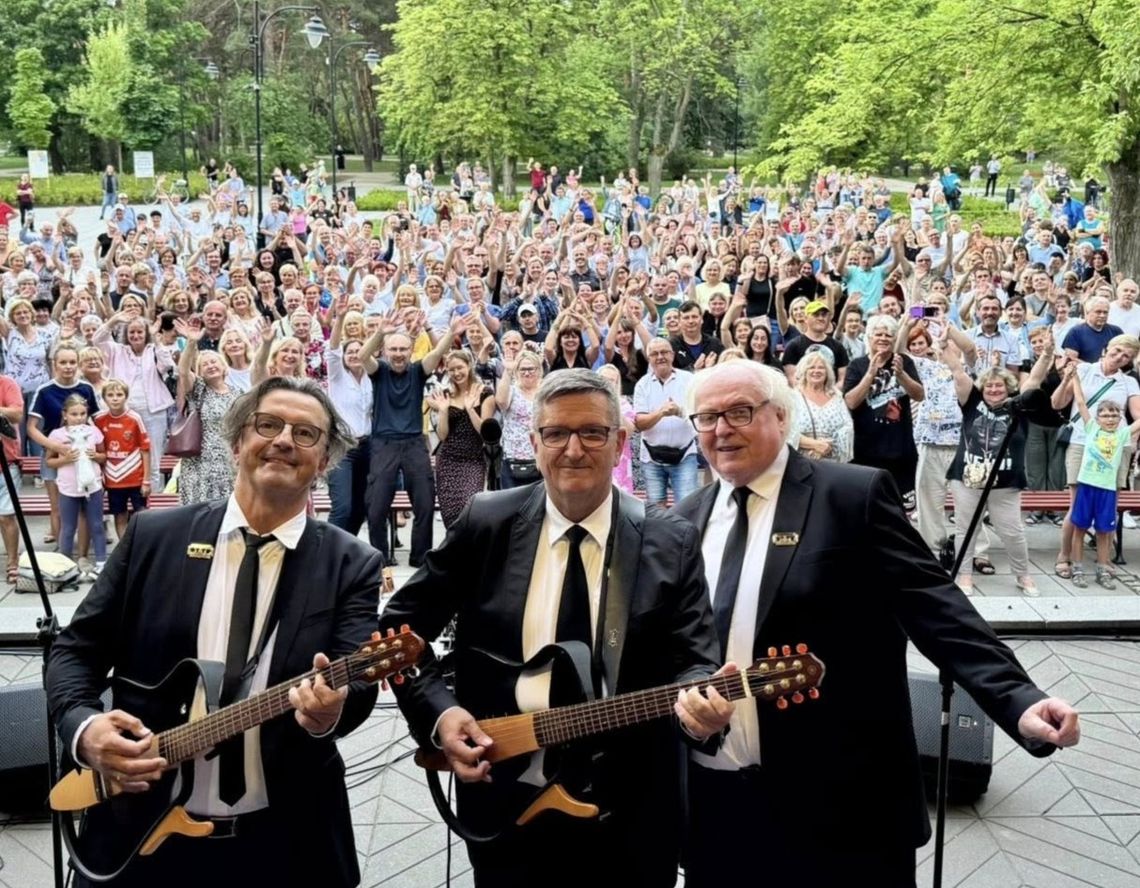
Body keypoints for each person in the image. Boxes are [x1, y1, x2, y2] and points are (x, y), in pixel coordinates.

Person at [674, 361, 1081, 887]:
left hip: (843, 808)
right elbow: (678, 648)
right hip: (721, 809)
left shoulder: (852, 495)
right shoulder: (684, 519)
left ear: (780, 415)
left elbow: (935, 606)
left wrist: (1018, 699)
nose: (721, 429)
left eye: (738, 412)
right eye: (705, 418)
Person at [378, 369, 729, 887]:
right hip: (505, 796)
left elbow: (695, 657)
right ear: (535, 441)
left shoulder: (669, 537)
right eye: (556, 433)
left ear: (620, 444)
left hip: (632, 809)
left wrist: (699, 708)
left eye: (592, 432)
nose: (573, 449)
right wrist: (439, 712)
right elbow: (399, 630)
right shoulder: (486, 521)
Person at [46, 376, 383, 888]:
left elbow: (356, 683)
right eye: (268, 424)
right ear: (235, 442)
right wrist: (84, 727)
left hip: (287, 843)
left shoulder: (352, 563)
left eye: (306, 434)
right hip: (143, 834)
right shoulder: (153, 537)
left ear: (325, 463)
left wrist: (330, 711)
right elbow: (75, 652)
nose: (285, 440)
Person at [360, 310, 466, 567]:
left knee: (425, 503)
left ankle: (420, 557)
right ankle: (381, 558)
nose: (398, 354)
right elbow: (363, 356)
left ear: (410, 351)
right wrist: (380, 333)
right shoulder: (380, 372)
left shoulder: (418, 371)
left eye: (403, 350)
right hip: (383, 443)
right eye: (393, 349)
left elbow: (437, 354)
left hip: (414, 443)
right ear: (385, 352)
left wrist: (451, 332)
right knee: (376, 508)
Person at [1065, 371, 1140, 589]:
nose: (1109, 419)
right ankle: (1077, 568)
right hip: (1087, 487)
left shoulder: (1122, 434)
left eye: (1114, 415)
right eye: (1105, 415)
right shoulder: (1092, 430)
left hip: (1107, 490)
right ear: (1098, 418)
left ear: (1120, 418)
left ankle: (1103, 569)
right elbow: (1080, 403)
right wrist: (1075, 380)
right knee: (1079, 528)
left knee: (1104, 531)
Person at [45, 394, 108, 576]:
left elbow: (104, 456)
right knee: (68, 527)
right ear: (65, 415)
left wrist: (95, 456)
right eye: (74, 414)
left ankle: (101, 562)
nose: (78, 417)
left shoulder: (94, 432)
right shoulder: (57, 435)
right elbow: (49, 461)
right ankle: (65, 565)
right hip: (68, 488)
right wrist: (64, 459)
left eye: (82, 413)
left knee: (96, 525)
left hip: (93, 486)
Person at [633, 338, 698, 506]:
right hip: (652, 458)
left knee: (688, 506)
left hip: (685, 454)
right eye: (654, 354)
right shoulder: (642, 385)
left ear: (672, 355)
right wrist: (661, 413)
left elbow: (699, 415)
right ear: (649, 359)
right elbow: (639, 423)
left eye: (664, 352)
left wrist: (678, 411)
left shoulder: (689, 380)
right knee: (655, 509)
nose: (660, 357)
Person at [94, 379, 151, 540]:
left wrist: (146, 480)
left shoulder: (134, 419)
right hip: (113, 480)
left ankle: (141, 547)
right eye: (110, 395)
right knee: (119, 515)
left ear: (126, 397)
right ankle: (124, 548)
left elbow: (145, 449)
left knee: (142, 516)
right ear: (104, 398)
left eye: (119, 394)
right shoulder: (99, 420)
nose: (115, 398)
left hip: (135, 478)